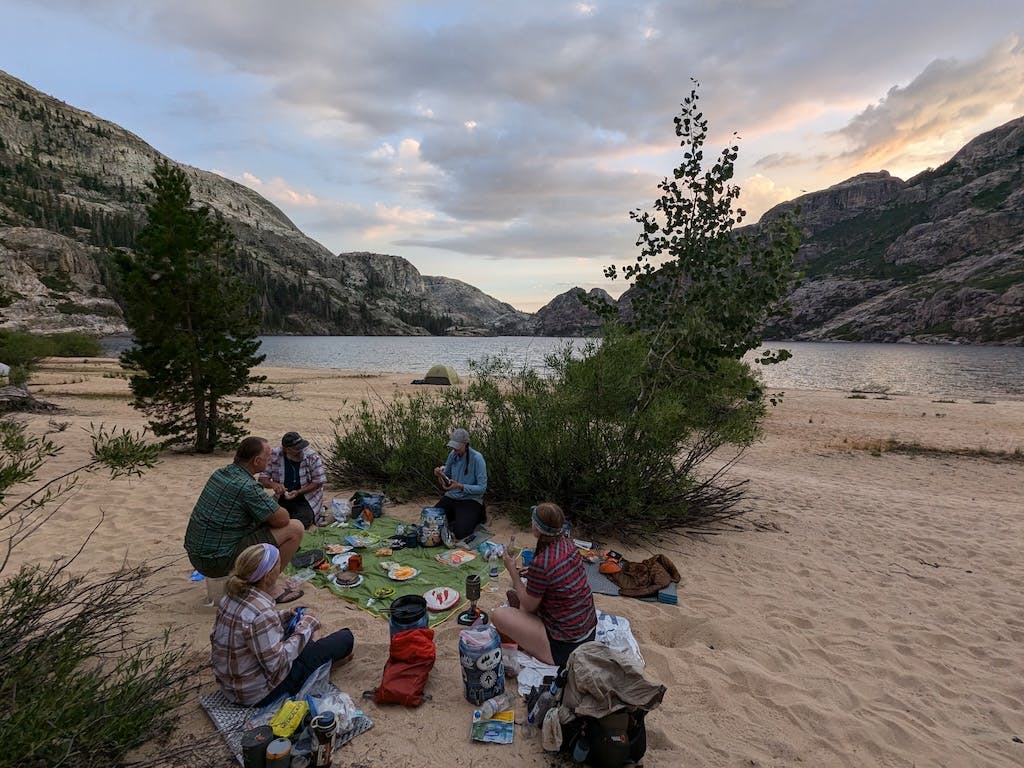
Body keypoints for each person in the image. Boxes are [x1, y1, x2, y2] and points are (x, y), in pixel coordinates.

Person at [210, 543, 355, 707]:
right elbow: (277, 663)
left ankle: (319, 659)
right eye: (278, 566)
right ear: (266, 577)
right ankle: (322, 668)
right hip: (259, 694)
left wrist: (285, 615)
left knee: (304, 635)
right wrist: (307, 626)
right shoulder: (262, 612)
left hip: (232, 686)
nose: (280, 570)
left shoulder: (231, 596)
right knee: (344, 638)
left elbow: (250, 629)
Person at [185, 436, 305, 602]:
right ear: (256, 460)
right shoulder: (247, 487)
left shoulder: (221, 473)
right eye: (268, 456)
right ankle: (268, 588)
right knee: (295, 528)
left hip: (197, 554)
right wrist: (275, 504)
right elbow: (282, 520)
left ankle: (258, 582)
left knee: (263, 523)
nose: (270, 460)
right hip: (217, 560)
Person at [490, 502, 597, 667]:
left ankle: (523, 634)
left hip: (565, 647)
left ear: (538, 528)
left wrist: (512, 571)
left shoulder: (542, 562)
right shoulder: (569, 544)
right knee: (524, 593)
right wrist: (532, 574)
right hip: (588, 631)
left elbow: (530, 606)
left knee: (498, 615)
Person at [258, 431, 326, 529]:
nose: (300, 451)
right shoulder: (274, 455)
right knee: (267, 521)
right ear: (285, 449)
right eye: (296, 450)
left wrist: (298, 492)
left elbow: (318, 482)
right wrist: (274, 485)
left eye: (301, 448)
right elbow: (263, 479)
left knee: (301, 522)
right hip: (281, 497)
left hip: (306, 498)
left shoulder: (311, 457)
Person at [432, 427, 487, 540]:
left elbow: (482, 488)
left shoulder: (477, 458)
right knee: (431, 520)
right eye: (453, 446)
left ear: (466, 444)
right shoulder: (452, 455)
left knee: (460, 533)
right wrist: (440, 475)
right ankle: (455, 519)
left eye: (457, 446)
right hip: (452, 497)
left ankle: (474, 517)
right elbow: (447, 478)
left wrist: (461, 486)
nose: (455, 449)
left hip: (470, 499)